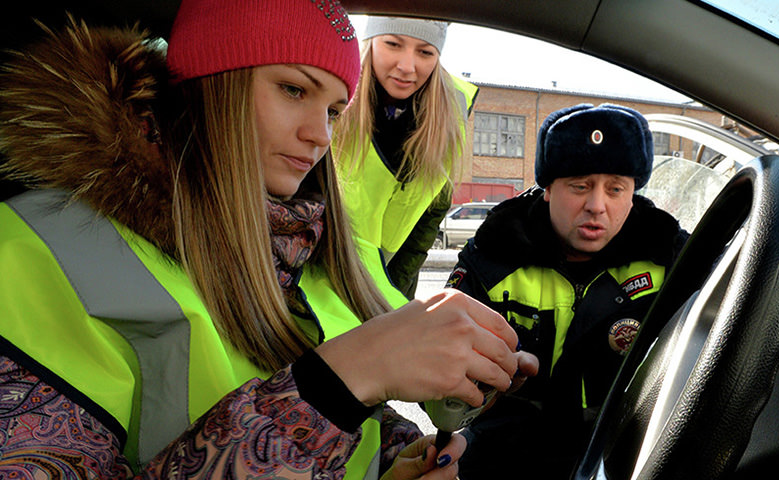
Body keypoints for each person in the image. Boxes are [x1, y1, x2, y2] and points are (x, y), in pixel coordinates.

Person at [0, 1, 538, 479]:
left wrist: (400, 454)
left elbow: (341, 415)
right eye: (293, 89)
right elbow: (328, 385)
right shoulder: (40, 253)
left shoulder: (312, 248)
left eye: (333, 110)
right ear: (211, 82)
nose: (320, 135)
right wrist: (339, 382)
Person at [446, 103, 690, 479]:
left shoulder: (670, 257)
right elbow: (447, 387)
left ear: (633, 192)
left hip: (624, 453)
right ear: (548, 189)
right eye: (579, 186)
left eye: (615, 188)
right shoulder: (495, 255)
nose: (596, 206)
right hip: (505, 456)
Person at [333, 15, 479, 299]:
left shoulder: (451, 116)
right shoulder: (334, 98)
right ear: (371, 41)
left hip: (393, 282)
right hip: (321, 278)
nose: (407, 66)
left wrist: (390, 294)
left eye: (425, 52)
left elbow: (429, 218)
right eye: (393, 44)